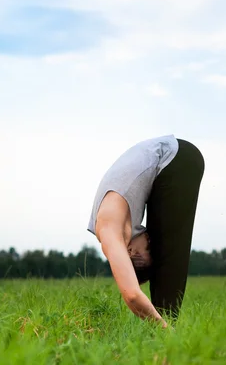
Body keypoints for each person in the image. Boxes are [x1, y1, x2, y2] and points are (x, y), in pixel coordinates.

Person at [87, 134, 205, 327]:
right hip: (172, 161)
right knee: (170, 251)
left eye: (149, 246)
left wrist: (162, 329)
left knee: (169, 251)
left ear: (131, 252)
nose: (150, 238)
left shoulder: (111, 232)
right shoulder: (115, 232)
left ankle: (166, 330)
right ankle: (167, 331)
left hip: (176, 157)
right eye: (149, 246)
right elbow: (133, 294)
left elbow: (132, 295)